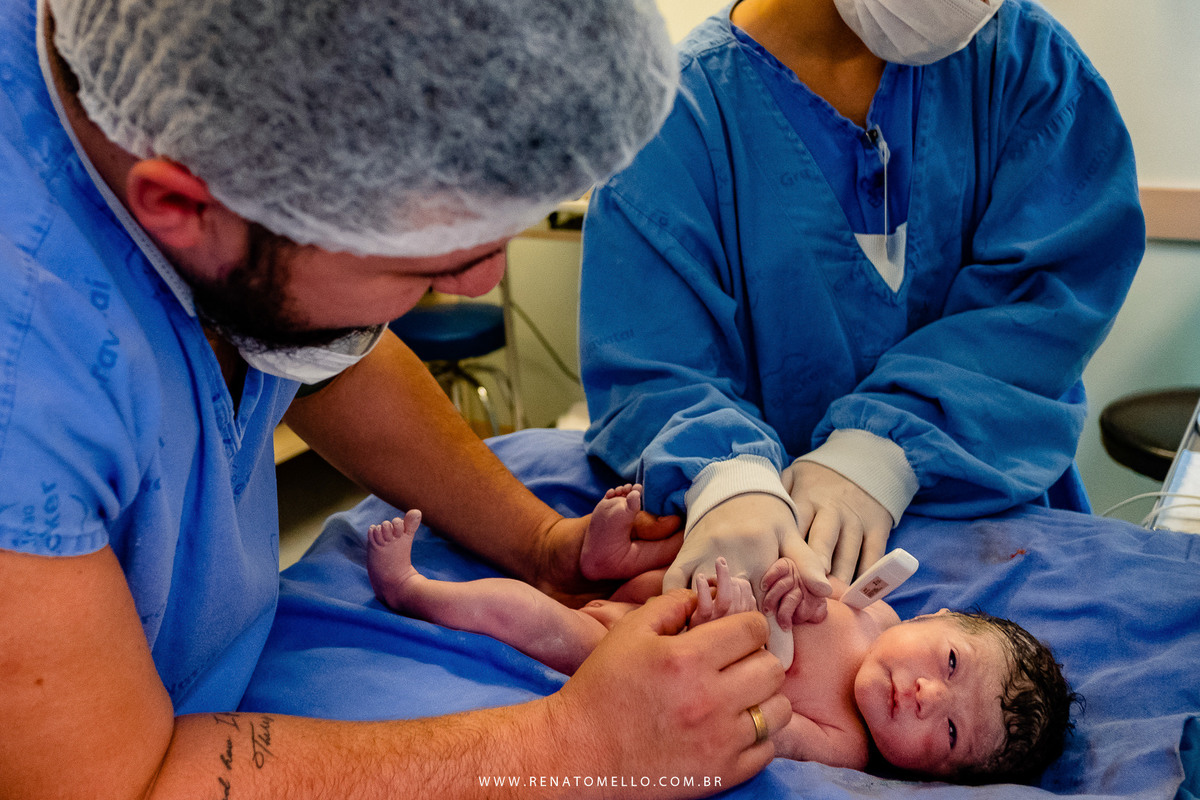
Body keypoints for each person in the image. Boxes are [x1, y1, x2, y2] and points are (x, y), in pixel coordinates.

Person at [0, 1, 795, 798]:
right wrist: (577, 742)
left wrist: (542, 545)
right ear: (180, 208)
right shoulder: (25, 377)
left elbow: (322, 351)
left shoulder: (217, 128)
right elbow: (114, 784)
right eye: (424, 267)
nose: (481, 282)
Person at [576, 0, 1146, 666]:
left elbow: (1051, 298)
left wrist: (885, 448)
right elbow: (651, 360)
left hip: (996, 538)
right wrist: (727, 482)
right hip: (771, 565)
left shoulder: (1024, 67)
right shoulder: (676, 122)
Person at [366, 484, 1075, 785]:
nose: (926, 694)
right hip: (688, 581)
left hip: (644, 650)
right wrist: (796, 582)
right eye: (950, 663)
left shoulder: (847, 744)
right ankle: (608, 560)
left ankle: (416, 591)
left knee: (543, 622)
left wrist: (735, 629)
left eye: (949, 733)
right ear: (935, 619)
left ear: (931, 776)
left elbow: (755, 715)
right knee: (693, 543)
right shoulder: (877, 613)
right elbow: (805, 576)